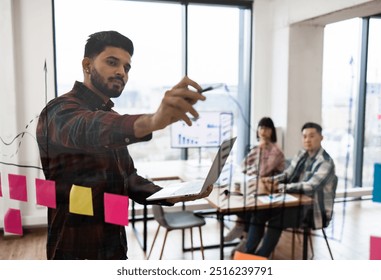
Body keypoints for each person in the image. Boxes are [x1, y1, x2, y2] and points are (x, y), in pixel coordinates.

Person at [36, 31, 211, 260]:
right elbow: (89, 128)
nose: (121, 72)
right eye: (112, 62)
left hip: (114, 247)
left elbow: (128, 179)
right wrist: (153, 120)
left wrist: (173, 195)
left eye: (127, 67)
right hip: (75, 251)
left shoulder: (111, 115)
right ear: (87, 65)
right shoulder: (58, 111)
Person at [243, 122, 337, 258]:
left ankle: (261, 257)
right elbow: (287, 174)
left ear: (321, 138)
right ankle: (248, 256)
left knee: (277, 220)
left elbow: (310, 186)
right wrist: (273, 180)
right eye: (304, 136)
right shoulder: (301, 154)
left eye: (311, 136)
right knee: (259, 213)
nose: (307, 140)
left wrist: (281, 188)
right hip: (295, 204)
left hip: (314, 211)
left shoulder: (326, 162)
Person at [224, 117, 285, 247]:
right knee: (237, 193)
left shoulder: (275, 151)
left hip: (271, 191)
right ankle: (241, 226)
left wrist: (259, 153)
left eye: (267, 128)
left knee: (249, 201)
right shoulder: (257, 148)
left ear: (272, 132)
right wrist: (255, 161)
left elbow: (263, 171)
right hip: (258, 187)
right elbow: (243, 165)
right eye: (261, 127)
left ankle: (246, 238)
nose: (263, 131)